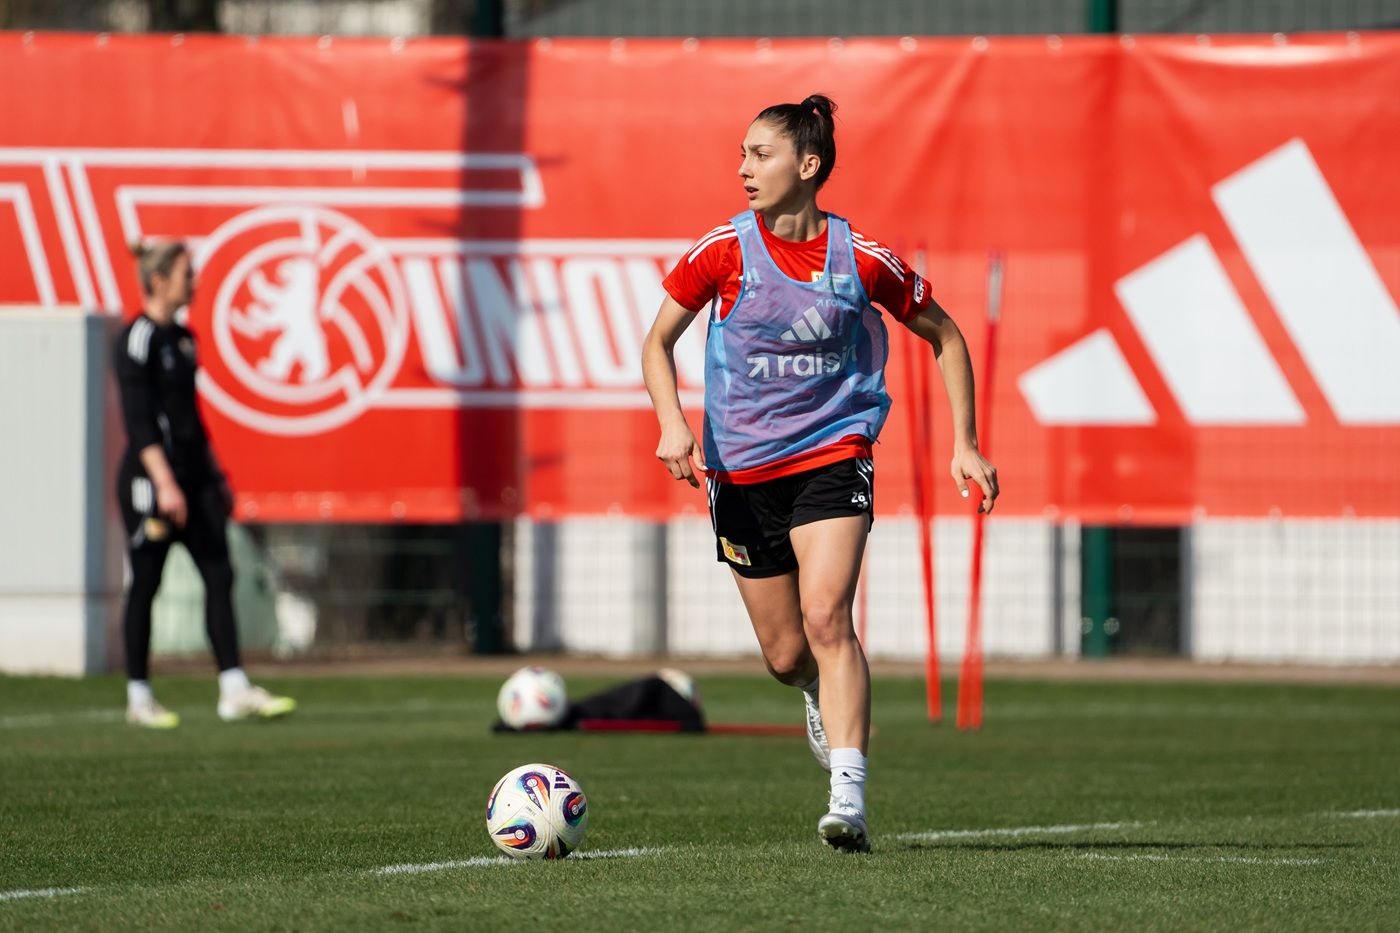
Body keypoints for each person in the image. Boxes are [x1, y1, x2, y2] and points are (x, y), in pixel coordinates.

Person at [642, 95, 998, 853]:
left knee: (829, 615)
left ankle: (849, 795)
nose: (742, 169)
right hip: (739, 473)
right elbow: (657, 341)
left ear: (808, 166)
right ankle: (811, 689)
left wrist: (965, 443)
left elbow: (947, 336)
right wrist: (673, 423)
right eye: (740, 155)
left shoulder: (862, 259)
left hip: (834, 455)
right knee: (784, 653)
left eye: (759, 154)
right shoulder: (723, 251)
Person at [113, 239, 296, 729]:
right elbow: (140, 421)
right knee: (146, 583)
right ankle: (139, 697)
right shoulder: (138, 339)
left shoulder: (184, 339)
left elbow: (190, 417)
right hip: (152, 484)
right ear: (159, 282)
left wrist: (214, 475)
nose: (193, 281)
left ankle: (234, 688)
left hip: (195, 482)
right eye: (185, 273)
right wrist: (165, 483)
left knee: (220, 574)